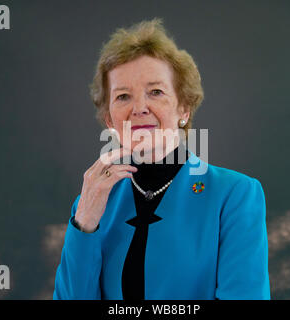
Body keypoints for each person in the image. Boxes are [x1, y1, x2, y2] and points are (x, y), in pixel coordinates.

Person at [53, 18, 270, 300]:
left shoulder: (235, 195)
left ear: (184, 108)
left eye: (155, 92)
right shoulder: (93, 201)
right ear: (109, 119)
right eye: (122, 96)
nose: (139, 108)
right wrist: (85, 222)